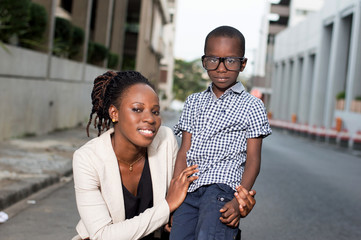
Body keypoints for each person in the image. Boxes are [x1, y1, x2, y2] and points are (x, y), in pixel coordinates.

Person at [169, 26, 272, 240]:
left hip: (222, 191)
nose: (221, 68)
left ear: (242, 64)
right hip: (189, 189)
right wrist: (173, 196)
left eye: (231, 60)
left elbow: (253, 160)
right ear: (204, 61)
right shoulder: (193, 101)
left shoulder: (252, 106)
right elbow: (183, 152)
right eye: (213, 60)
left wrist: (238, 201)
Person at [71, 71, 199, 240]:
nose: (150, 119)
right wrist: (166, 207)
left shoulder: (166, 140)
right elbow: (103, 235)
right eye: (137, 109)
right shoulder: (87, 159)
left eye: (155, 111)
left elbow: (188, 190)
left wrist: (236, 202)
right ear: (114, 113)